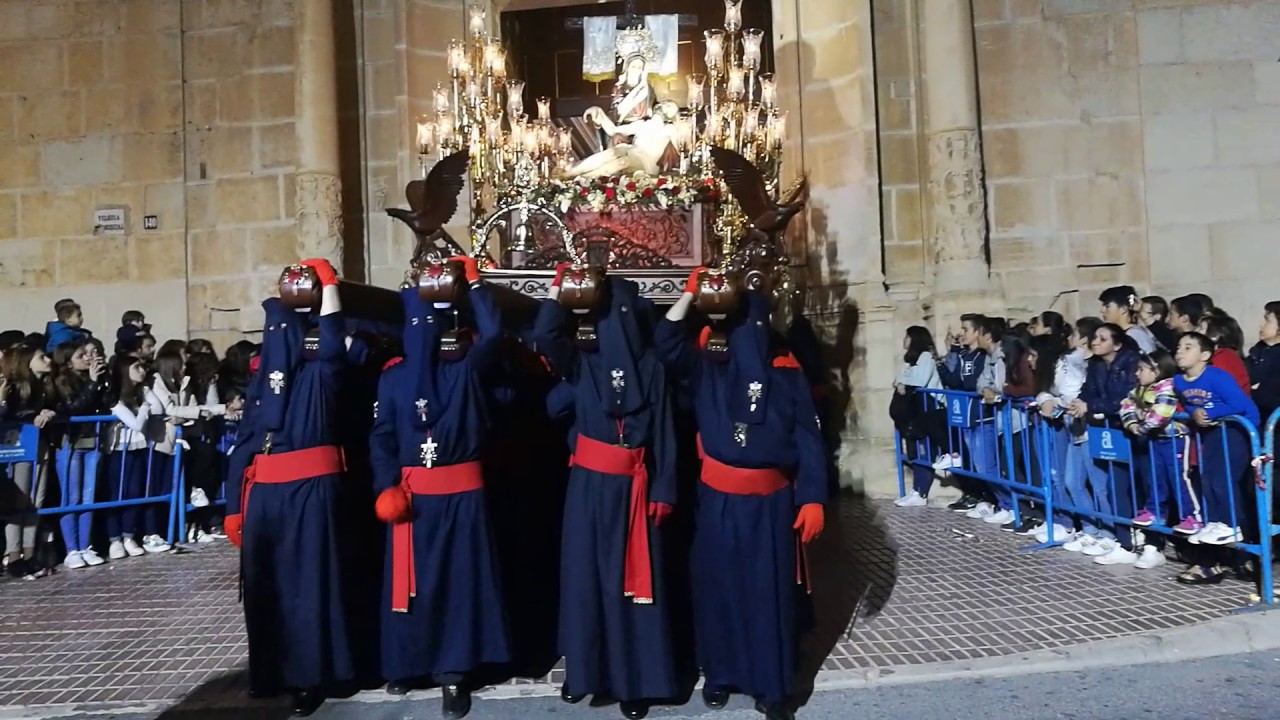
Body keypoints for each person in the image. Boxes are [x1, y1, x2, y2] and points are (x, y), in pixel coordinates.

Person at [654, 275, 825, 720]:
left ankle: (772, 685)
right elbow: (666, 342)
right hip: (717, 500)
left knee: (768, 596)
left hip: (770, 504)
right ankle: (720, 674)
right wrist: (690, 294)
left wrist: (812, 498)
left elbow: (808, 438)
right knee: (719, 589)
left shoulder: (785, 371)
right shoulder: (707, 366)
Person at [368, 256, 511, 719]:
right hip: (412, 499)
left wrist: (473, 281)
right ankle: (408, 663)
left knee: (457, 585)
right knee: (412, 587)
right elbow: (383, 437)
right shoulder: (392, 380)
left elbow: (492, 334)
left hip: (461, 497)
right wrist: (385, 484)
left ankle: (454, 673)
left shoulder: (465, 371)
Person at [533, 267, 678, 720]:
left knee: (636, 588)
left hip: (636, 485)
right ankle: (585, 673)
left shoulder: (652, 368)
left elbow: (665, 433)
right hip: (589, 485)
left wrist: (665, 488)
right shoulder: (582, 360)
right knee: (584, 582)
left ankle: (636, 682)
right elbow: (544, 332)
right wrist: (561, 290)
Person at [222, 258, 362, 717]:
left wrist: (328, 293)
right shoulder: (263, 383)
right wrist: (232, 507)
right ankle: (270, 670)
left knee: (307, 586)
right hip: (266, 493)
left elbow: (336, 352)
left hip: (308, 490)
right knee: (266, 588)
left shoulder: (321, 374)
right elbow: (244, 444)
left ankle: (308, 676)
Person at [1173, 332, 1260, 548]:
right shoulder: (1178, 381)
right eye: (1178, 347)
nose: (1180, 351)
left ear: (1204, 355)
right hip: (1214, 430)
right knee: (1208, 478)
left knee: (1223, 479)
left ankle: (1232, 525)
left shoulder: (1217, 376)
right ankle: (1215, 522)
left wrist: (1209, 413)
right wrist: (1195, 413)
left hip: (1238, 428)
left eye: (1187, 347)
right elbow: (1191, 404)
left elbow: (1239, 403)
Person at [1068, 323, 1139, 562]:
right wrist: (1079, 402)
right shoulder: (1096, 365)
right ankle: (1117, 537)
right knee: (1109, 485)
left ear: (1117, 344)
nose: (1095, 342)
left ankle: (1126, 539)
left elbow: (1126, 398)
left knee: (1121, 486)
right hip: (1104, 430)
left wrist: (1092, 406)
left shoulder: (1131, 363)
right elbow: (1089, 390)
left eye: (1102, 338)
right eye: (1094, 337)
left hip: (1126, 430)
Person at [1119, 349, 1198, 558]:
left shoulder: (1167, 386)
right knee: (1156, 479)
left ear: (1157, 370)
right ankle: (1154, 512)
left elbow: (1160, 414)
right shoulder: (1141, 389)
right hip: (1156, 440)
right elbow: (1126, 404)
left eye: (1142, 369)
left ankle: (1192, 516)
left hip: (1175, 440)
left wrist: (1142, 426)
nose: (1137, 373)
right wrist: (1132, 422)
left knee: (1179, 480)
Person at [0, 345, 57, 578]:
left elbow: (59, 404)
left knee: (37, 499)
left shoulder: (45, 386)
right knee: (20, 501)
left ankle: (30, 552)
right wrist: (32, 415)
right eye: (41, 357)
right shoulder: (14, 387)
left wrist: (49, 411)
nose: (48, 360)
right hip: (18, 447)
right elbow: (11, 413)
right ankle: (14, 556)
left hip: (40, 445)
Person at [50, 338, 108, 569]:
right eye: (80, 356)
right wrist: (92, 384)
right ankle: (71, 548)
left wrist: (102, 381)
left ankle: (86, 545)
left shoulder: (94, 379)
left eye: (87, 354)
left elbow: (106, 403)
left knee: (88, 496)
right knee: (71, 497)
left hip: (92, 441)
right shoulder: (61, 382)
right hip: (70, 442)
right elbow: (73, 406)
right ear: (67, 362)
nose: (87, 358)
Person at [101, 355, 161, 560]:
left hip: (139, 447)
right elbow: (135, 423)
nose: (142, 370)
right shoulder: (114, 396)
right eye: (136, 367)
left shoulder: (141, 391)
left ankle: (129, 535)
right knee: (117, 493)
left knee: (135, 492)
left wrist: (145, 396)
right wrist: (144, 408)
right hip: (119, 449)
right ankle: (114, 539)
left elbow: (159, 407)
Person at [933, 314, 988, 511]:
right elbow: (955, 382)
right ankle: (973, 495)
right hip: (964, 414)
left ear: (977, 332)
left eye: (965, 330)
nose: (961, 333)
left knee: (983, 462)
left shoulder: (982, 356)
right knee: (970, 458)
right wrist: (941, 364)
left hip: (980, 414)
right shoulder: (964, 355)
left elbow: (974, 383)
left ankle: (989, 499)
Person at [891, 326, 944, 507]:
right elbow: (897, 380)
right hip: (914, 412)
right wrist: (902, 382)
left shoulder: (926, 357)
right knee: (914, 451)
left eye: (907, 336)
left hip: (928, 411)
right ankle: (916, 489)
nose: (904, 339)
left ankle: (921, 492)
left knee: (925, 450)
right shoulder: (909, 360)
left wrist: (903, 382)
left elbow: (919, 381)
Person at [1247, 301, 1280, 424]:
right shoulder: (1256, 352)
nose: (1261, 325)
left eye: (1267, 321)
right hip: (1259, 423)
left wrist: (1255, 391)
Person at [1099, 285, 1158, 353]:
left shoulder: (1135, 334)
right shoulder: (1122, 333)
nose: (1102, 310)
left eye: (1107, 306)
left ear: (1123, 309)